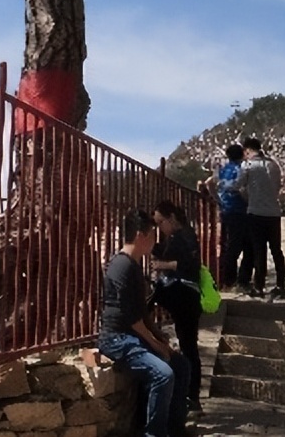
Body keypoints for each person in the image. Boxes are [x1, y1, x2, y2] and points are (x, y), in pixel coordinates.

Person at [98, 209, 191, 437]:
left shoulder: (133, 265)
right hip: (118, 338)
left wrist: (160, 337)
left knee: (181, 365)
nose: (155, 241)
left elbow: (141, 312)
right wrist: (156, 345)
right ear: (141, 235)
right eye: (152, 235)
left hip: (133, 335)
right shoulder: (122, 266)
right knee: (163, 374)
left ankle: (175, 428)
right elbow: (130, 319)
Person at [151, 200, 203, 416]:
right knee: (186, 343)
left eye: (161, 222)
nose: (160, 227)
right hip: (177, 294)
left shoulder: (188, 235)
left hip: (186, 297)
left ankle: (193, 396)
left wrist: (163, 265)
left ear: (171, 217)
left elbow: (189, 264)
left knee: (189, 345)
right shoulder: (173, 237)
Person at [233, 137, 285, 299]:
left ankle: (259, 286)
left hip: (255, 212)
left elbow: (237, 185)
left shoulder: (248, 166)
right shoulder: (274, 165)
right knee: (277, 250)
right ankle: (280, 284)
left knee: (259, 250)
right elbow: (277, 187)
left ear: (247, 150)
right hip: (273, 212)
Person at [198, 143, 253, 292]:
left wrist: (218, 200)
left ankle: (228, 280)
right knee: (243, 246)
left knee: (228, 245)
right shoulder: (241, 169)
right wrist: (248, 201)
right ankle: (235, 280)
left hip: (226, 210)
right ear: (242, 154)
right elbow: (241, 189)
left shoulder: (222, 170)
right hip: (240, 210)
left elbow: (209, 183)